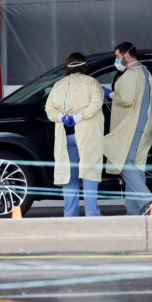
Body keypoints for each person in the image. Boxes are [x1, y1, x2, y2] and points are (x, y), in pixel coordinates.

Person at [45, 52, 104, 217]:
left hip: (66, 136)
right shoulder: (91, 82)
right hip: (88, 135)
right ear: (84, 66)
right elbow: (97, 103)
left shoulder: (58, 85)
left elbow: (49, 110)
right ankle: (92, 214)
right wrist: (79, 117)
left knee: (69, 176)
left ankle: (70, 214)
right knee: (89, 173)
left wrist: (62, 118)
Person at [103, 42, 152, 215]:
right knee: (135, 167)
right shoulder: (146, 73)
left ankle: (147, 201)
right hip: (143, 126)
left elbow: (125, 98)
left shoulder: (131, 75)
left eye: (118, 57)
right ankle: (134, 212)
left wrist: (108, 93)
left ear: (126, 56)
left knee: (125, 163)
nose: (117, 60)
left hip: (131, 127)